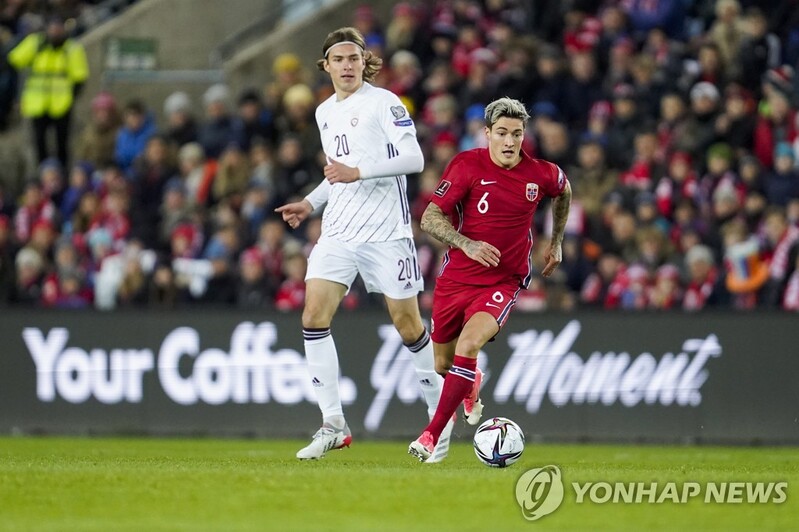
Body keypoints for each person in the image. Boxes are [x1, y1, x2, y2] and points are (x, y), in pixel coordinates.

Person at [275, 27, 449, 461]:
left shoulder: (385, 102)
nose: (347, 66)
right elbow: (336, 172)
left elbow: (415, 159)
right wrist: (310, 203)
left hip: (386, 232)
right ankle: (333, 424)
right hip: (337, 231)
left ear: (364, 63)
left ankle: (438, 418)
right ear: (327, 66)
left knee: (408, 325)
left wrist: (359, 171)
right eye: (339, 59)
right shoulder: (323, 113)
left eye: (355, 58)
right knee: (313, 315)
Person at [407, 97, 572, 462]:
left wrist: (556, 241)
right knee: (442, 365)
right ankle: (471, 382)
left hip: (503, 280)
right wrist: (467, 243)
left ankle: (431, 435)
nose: (510, 141)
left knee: (468, 345)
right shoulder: (466, 165)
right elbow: (431, 218)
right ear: (487, 134)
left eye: (516, 133)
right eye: (502, 133)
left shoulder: (541, 173)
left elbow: (564, 191)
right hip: (456, 279)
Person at [7, 16, 88, 167]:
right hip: (38, 103)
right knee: (39, 143)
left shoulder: (71, 47)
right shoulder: (36, 42)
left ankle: (61, 173)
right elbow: (14, 59)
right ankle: (43, 173)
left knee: (62, 143)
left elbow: (80, 76)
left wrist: (71, 96)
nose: (55, 32)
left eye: (58, 29)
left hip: (61, 104)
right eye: (52, 28)